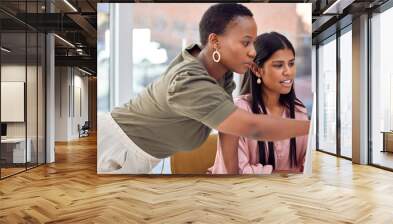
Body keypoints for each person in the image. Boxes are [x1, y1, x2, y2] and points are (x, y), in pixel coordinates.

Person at [97, 3, 310, 174]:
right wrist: (312, 129)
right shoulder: (190, 81)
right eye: (246, 43)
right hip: (113, 150)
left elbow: (229, 129)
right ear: (215, 42)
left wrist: (232, 181)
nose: (253, 52)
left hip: (134, 155)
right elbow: (252, 127)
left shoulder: (220, 74)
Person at [210, 32, 309, 174]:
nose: (288, 72)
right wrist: (290, 174)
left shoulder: (300, 112)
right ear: (256, 70)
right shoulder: (237, 112)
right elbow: (238, 172)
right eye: (279, 65)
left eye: (291, 63)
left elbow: (307, 167)